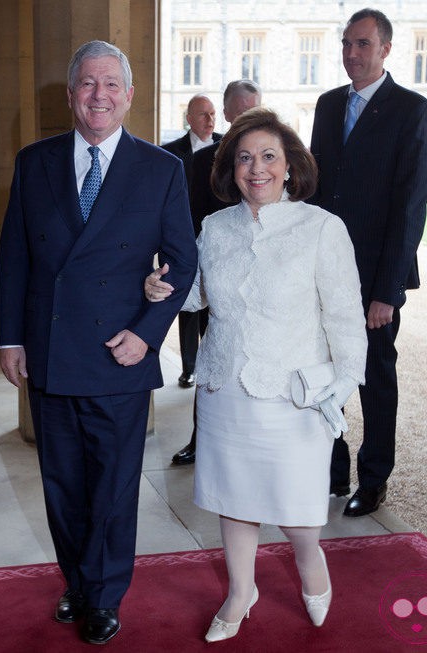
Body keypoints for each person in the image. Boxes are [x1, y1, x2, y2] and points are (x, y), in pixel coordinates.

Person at [0, 40, 197, 645]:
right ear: (70, 94)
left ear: (129, 96)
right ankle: (77, 583)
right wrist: (11, 338)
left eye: (111, 85)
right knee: (61, 483)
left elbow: (183, 263)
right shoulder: (35, 163)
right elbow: (15, 259)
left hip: (119, 353)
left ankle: (106, 594)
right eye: (88, 84)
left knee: (112, 486)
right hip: (53, 353)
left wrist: (146, 335)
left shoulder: (161, 169)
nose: (99, 96)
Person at [145, 108, 366, 642]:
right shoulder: (215, 228)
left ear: (290, 166)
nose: (256, 168)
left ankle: (310, 561)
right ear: (230, 168)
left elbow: (344, 314)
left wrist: (345, 381)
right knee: (234, 501)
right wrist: (160, 287)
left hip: (293, 396)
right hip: (226, 390)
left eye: (269, 156)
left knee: (296, 513)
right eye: (244, 158)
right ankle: (241, 591)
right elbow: (197, 294)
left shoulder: (321, 227)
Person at [309, 7, 427, 516]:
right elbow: (316, 190)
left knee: (375, 376)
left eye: (363, 44)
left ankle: (374, 477)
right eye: (346, 44)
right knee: (324, 373)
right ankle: (332, 470)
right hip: (325, 271)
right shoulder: (326, 105)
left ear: (385, 49)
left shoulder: (412, 110)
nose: (352, 54)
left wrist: (388, 290)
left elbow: (411, 206)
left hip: (374, 279)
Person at [168, 79, 262, 467]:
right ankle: (201, 437)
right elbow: (190, 216)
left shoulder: (277, 153)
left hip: (262, 275)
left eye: (253, 109)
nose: (247, 117)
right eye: (240, 111)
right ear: (227, 113)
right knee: (213, 356)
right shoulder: (207, 160)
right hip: (216, 272)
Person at [162, 94, 220, 390]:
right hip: (183, 241)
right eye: (203, 115)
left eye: (212, 114)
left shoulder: (229, 147)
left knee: (216, 305)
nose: (210, 120)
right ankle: (189, 367)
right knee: (187, 307)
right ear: (189, 118)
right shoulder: (170, 153)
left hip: (219, 241)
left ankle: (214, 364)